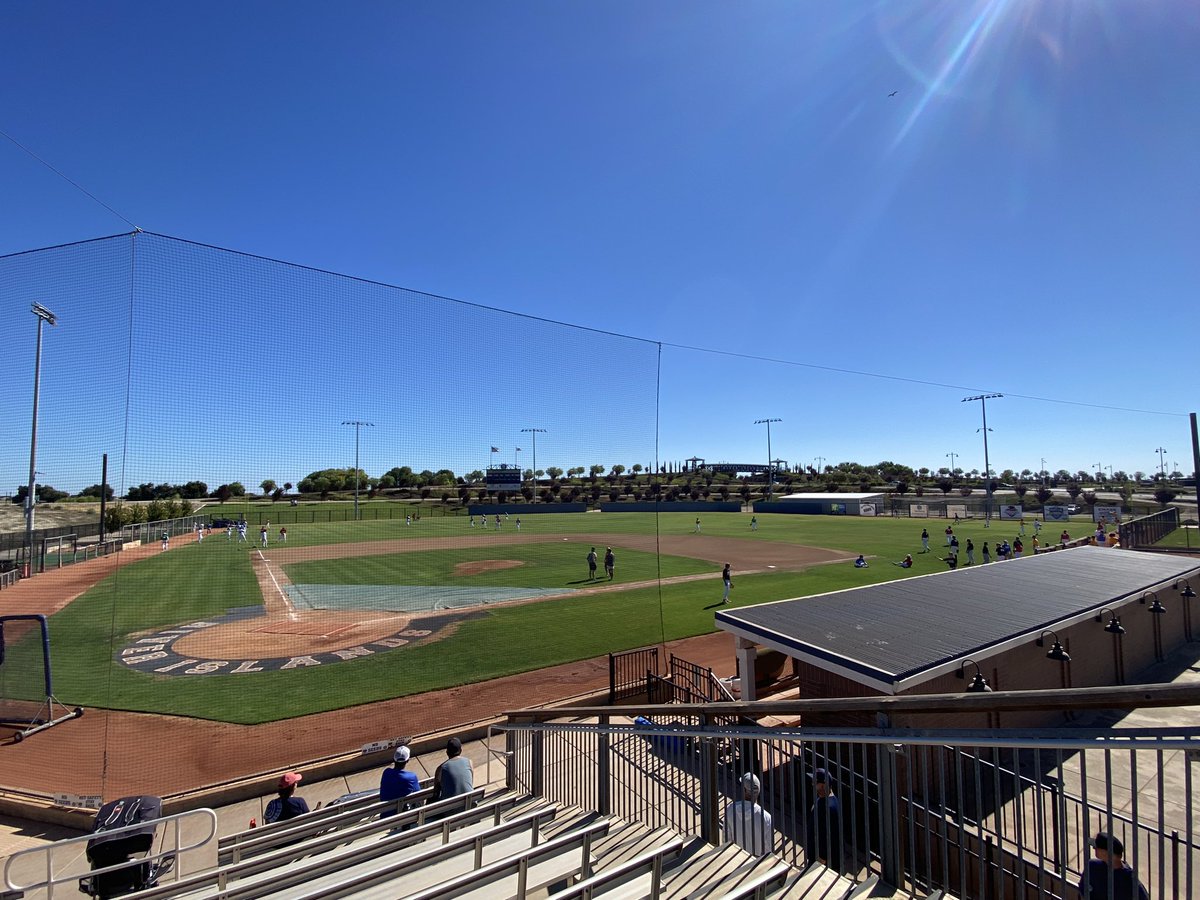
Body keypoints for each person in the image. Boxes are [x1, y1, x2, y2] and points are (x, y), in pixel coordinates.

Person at [1077, 832, 1148, 900]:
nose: (1094, 848)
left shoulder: (1128, 879)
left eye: (1096, 847)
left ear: (1105, 852)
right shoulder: (1092, 866)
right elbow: (1083, 890)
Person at [723, 772, 773, 856]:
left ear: (744, 790)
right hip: (756, 861)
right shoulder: (766, 817)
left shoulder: (730, 810)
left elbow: (726, 840)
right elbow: (768, 847)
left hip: (735, 858)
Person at [805, 769, 842, 872]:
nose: (812, 784)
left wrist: (822, 858)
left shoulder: (828, 807)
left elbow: (830, 835)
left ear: (823, 785)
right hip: (818, 860)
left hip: (822, 863)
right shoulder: (826, 801)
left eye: (815, 782)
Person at [380, 745, 421, 816]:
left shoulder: (386, 772)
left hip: (385, 816)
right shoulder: (411, 777)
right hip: (403, 818)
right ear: (407, 760)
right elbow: (418, 795)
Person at [432, 737, 474, 801]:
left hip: (450, 809)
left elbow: (436, 793)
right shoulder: (469, 762)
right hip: (470, 804)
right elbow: (470, 783)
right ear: (461, 750)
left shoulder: (440, 769)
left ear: (447, 752)